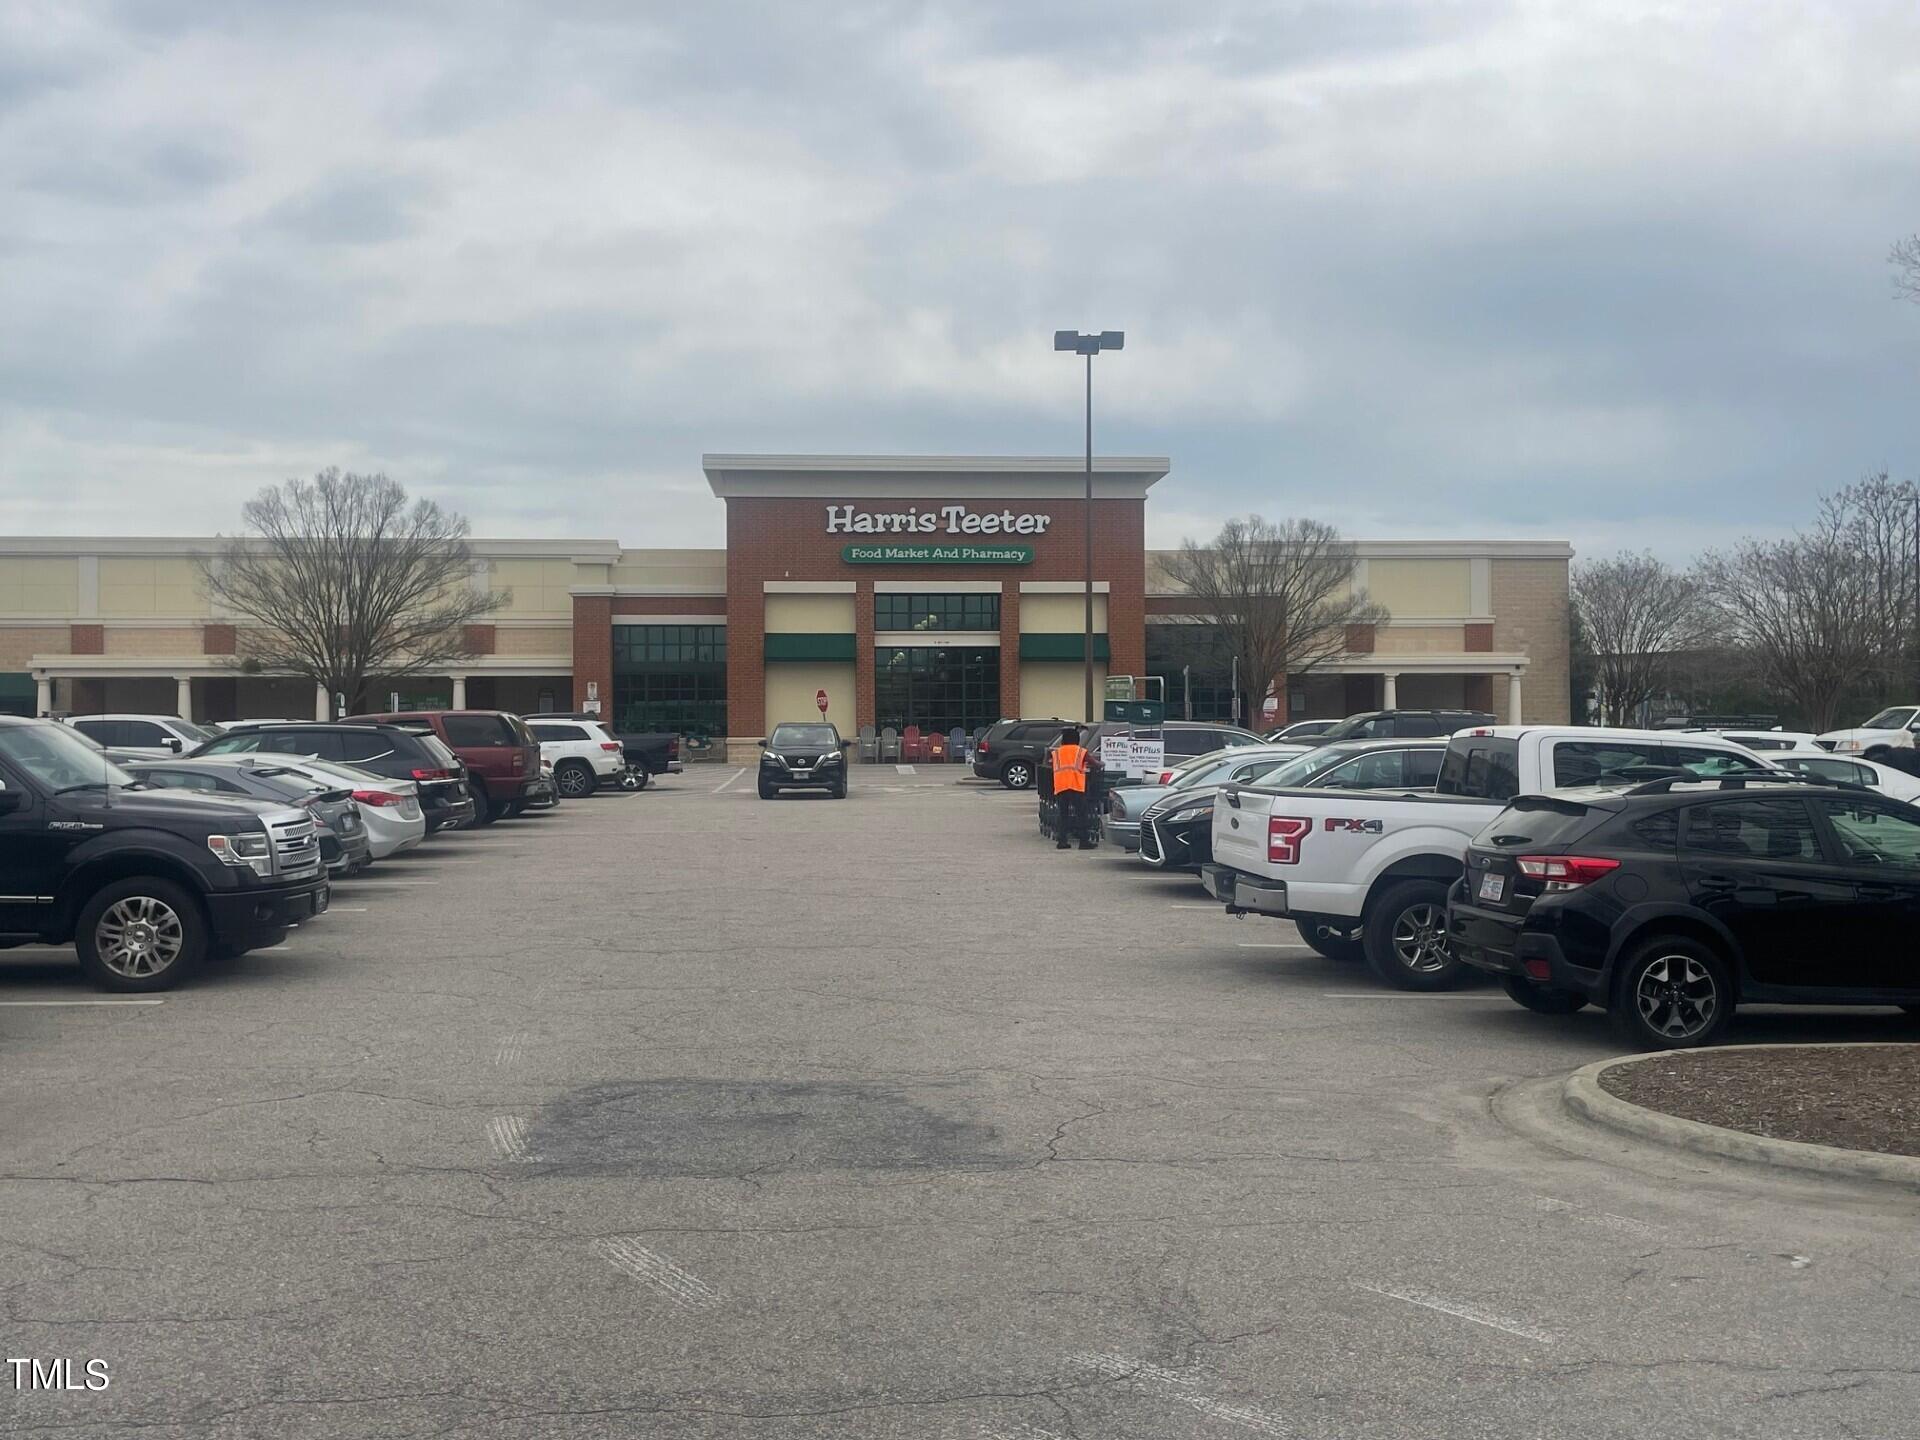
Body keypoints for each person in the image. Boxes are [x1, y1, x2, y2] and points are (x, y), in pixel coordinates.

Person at [1052, 725, 1095, 850]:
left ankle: (1062, 841)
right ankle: (1084, 841)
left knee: (1063, 814)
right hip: (1076, 786)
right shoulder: (1080, 751)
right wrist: (1101, 764)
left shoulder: (1056, 752)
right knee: (1081, 814)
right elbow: (1094, 763)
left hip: (1061, 786)